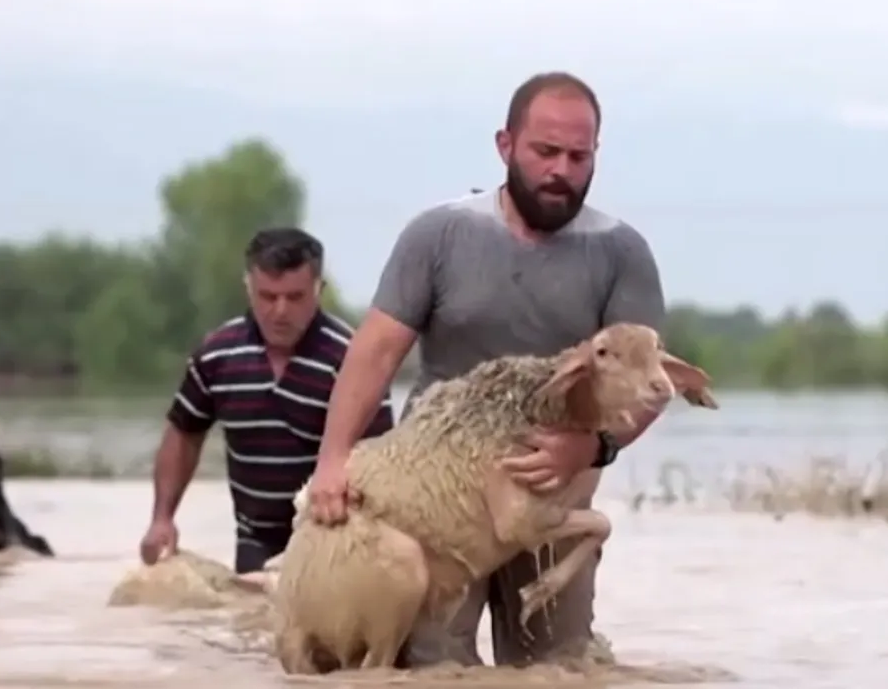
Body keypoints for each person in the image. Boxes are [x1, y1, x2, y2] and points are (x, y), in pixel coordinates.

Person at [304, 72, 667, 667]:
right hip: (438, 493)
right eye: (545, 151)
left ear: (595, 155)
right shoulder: (440, 235)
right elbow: (374, 352)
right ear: (505, 146)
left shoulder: (621, 253)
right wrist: (333, 459)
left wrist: (593, 448)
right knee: (429, 667)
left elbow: (650, 385)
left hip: (551, 481)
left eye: (578, 156)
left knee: (561, 669)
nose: (561, 170)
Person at [138, 227, 396, 574]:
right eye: (267, 296)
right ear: (248, 287)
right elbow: (183, 434)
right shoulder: (217, 355)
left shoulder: (351, 360)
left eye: (295, 297)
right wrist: (162, 518)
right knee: (247, 624)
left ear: (320, 289)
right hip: (254, 538)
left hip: (332, 536)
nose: (279, 311)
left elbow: (380, 461)